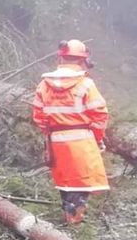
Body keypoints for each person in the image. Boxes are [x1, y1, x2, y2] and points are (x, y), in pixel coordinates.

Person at [32, 40, 109, 225]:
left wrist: (50, 134)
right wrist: (98, 138)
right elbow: (100, 115)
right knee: (81, 184)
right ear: (82, 60)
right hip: (81, 142)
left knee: (65, 184)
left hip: (55, 143)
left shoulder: (44, 85)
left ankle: (68, 218)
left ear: (60, 58)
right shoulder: (86, 84)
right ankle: (74, 225)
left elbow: (38, 116)